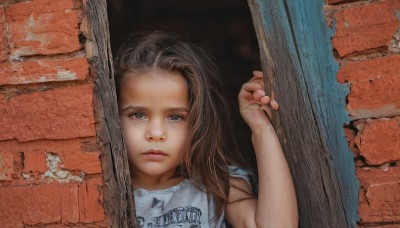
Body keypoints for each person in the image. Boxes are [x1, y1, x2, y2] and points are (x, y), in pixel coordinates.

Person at [114, 31, 298, 227]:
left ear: (200, 121)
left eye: (176, 117)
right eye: (138, 115)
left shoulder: (219, 185)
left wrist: (260, 127)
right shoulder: (104, 190)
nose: (156, 134)